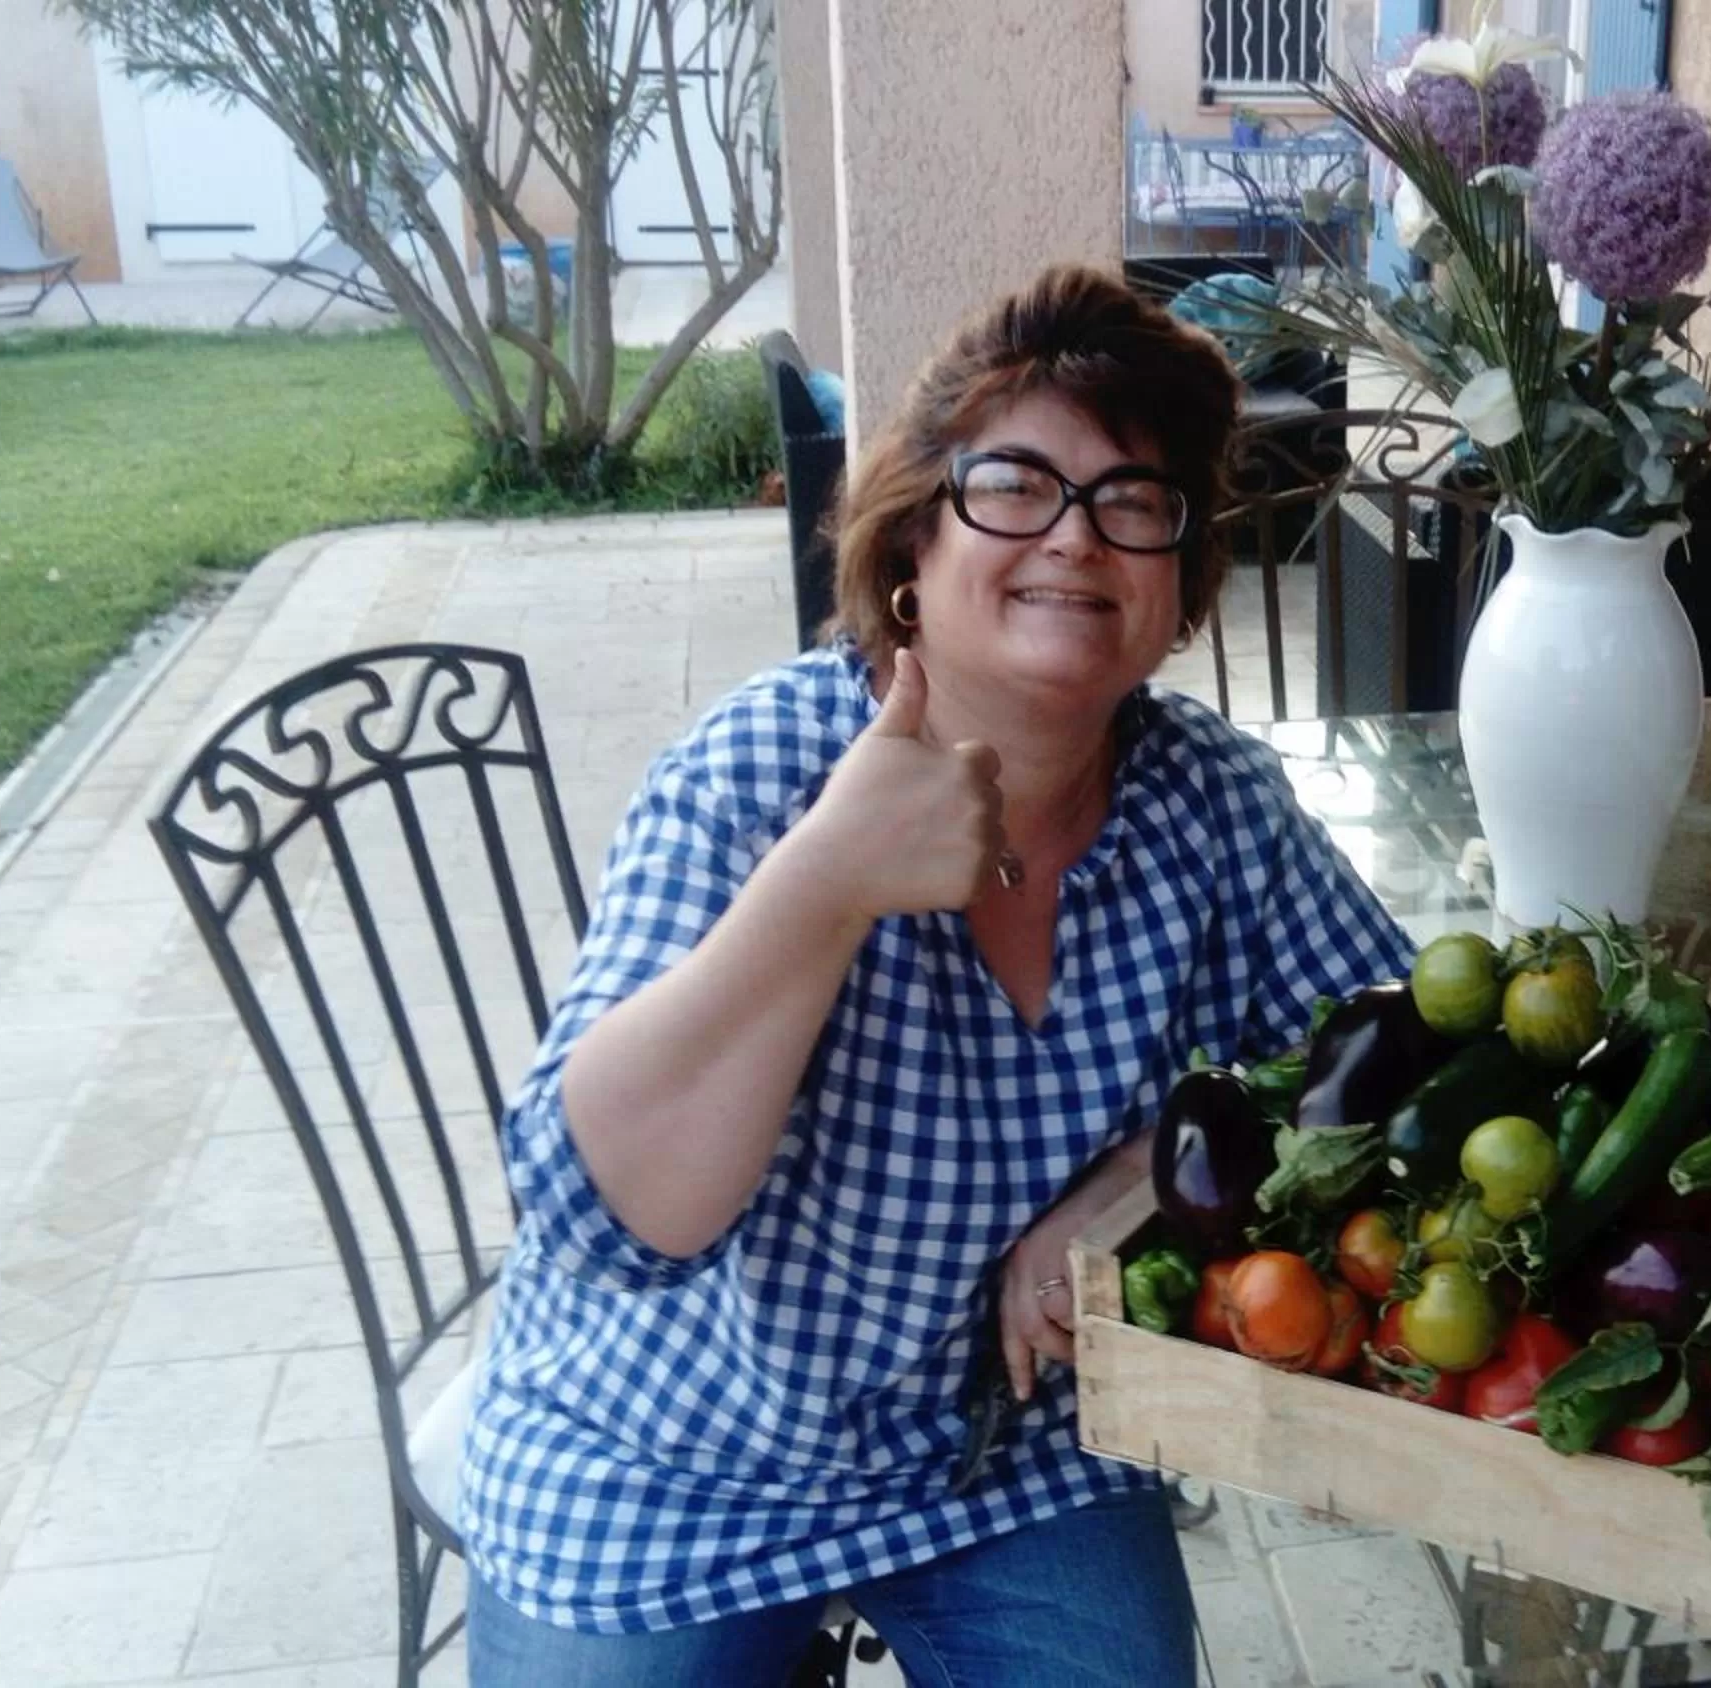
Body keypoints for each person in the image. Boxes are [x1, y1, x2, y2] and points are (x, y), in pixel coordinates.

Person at [460, 263, 1414, 1685]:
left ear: (1178, 587)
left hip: (1008, 1453)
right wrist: (826, 880)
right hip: (671, 1452)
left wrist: (1141, 1177)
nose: (1076, 535)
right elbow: (612, 1223)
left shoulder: (1206, 802)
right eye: (1015, 486)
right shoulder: (762, 774)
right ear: (913, 540)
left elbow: (1392, 1048)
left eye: (1133, 501)